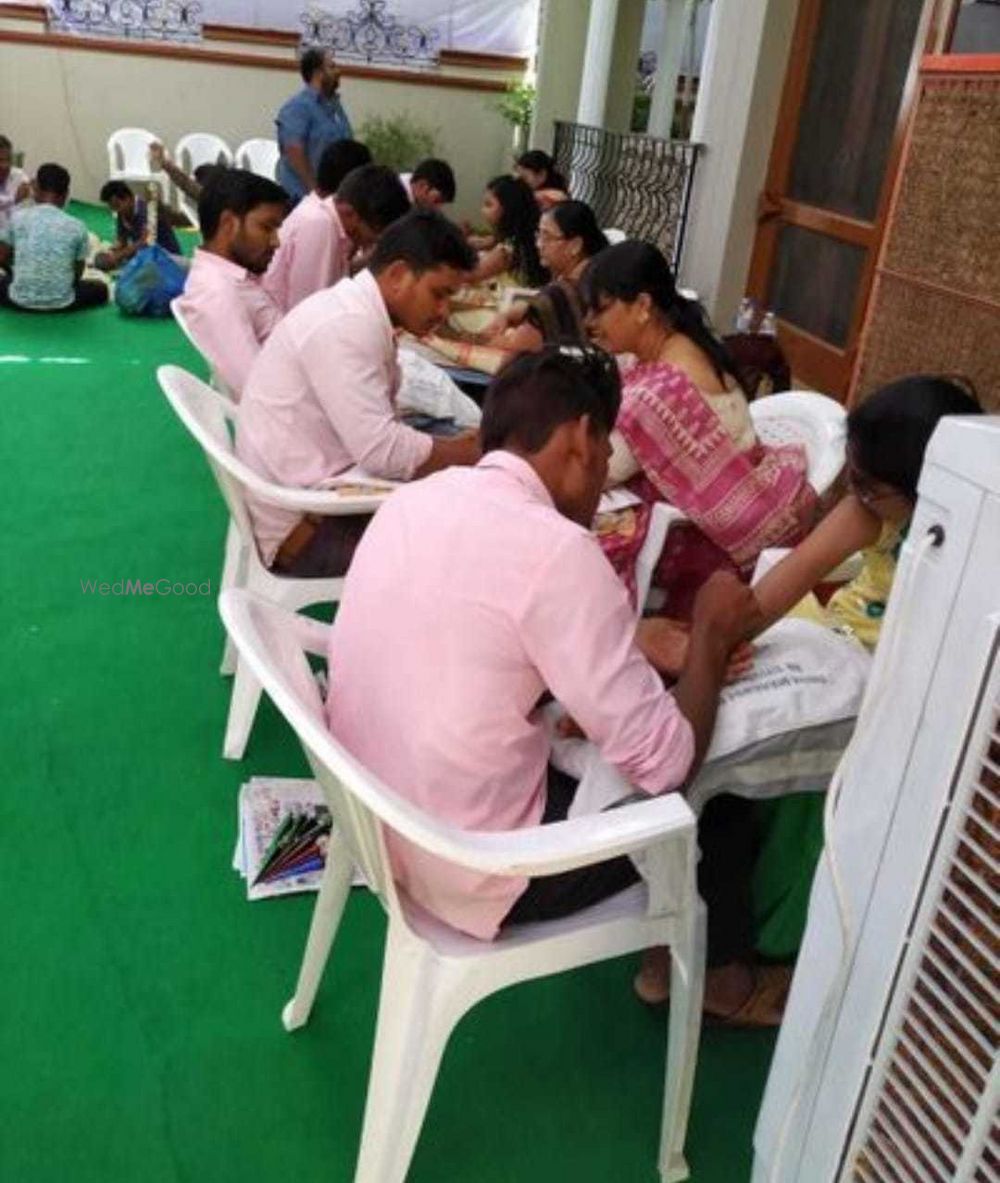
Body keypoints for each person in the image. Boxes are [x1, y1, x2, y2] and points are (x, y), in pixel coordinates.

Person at [325, 345, 772, 1022]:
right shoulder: (559, 551)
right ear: (581, 439)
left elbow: (477, 640)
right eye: (607, 453)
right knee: (726, 783)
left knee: (598, 734)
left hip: (375, 820)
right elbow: (667, 764)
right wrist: (710, 631)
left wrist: (624, 649)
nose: (604, 478)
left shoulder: (415, 500)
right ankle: (719, 982)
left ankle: (681, 964)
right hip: (474, 866)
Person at [634, 373, 984, 1008]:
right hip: (828, 647)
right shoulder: (871, 502)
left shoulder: (975, 547)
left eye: (872, 488)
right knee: (711, 730)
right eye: (852, 476)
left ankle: (734, 957)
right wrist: (712, 648)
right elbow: (783, 586)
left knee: (743, 762)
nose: (855, 494)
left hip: (896, 688)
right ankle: (690, 941)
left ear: (928, 491)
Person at [236, 208, 482, 578]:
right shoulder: (348, 324)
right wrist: (470, 451)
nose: (444, 311)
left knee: (456, 483)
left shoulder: (352, 309)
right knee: (471, 543)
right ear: (398, 275)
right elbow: (381, 450)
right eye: (439, 294)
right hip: (306, 531)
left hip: (312, 505)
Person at [583, 241, 816, 615]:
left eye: (600, 309)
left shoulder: (663, 389)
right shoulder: (678, 345)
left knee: (572, 540)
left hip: (702, 539)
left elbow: (598, 471)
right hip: (702, 505)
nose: (590, 324)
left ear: (643, 307)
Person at [174, 169, 288, 395]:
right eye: (267, 227)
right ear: (228, 223)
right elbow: (257, 391)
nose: (276, 242)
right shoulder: (218, 293)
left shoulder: (232, 277)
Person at [263, 156, 407, 313]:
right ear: (350, 213)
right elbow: (311, 308)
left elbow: (336, 278)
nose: (374, 240)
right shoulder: (319, 225)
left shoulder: (330, 220)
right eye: (376, 233)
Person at [485, 200, 608, 351]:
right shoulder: (594, 273)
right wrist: (505, 315)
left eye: (547, 237)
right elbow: (532, 303)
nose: (538, 244)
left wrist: (484, 337)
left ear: (575, 245)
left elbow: (510, 346)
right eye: (539, 235)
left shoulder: (560, 294)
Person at [0, 162, 108, 312]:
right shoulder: (77, 226)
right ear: (66, 194)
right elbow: (77, 272)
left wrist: (19, 274)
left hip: (19, 299)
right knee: (101, 289)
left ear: (36, 189)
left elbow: (2, 258)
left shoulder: (18, 218)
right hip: (62, 301)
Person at [276, 47, 353, 202]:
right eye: (332, 67)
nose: (339, 71)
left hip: (332, 198)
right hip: (303, 200)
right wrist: (315, 191)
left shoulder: (335, 106)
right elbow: (293, 150)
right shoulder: (298, 107)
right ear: (318, 73)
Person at [471, 175, 548, 288]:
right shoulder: (519, 235)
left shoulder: (512, 248)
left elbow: (472, 275)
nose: (482, 210)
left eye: (488, 205)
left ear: (508, 208)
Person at [95, 179, 182, 269]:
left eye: (117, 205)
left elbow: (146, 242)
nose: (115, 210)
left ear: (128, 198)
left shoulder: (147, 211)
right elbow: (121, 240)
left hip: (167, 257)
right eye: (112, 207)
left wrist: (119, 255)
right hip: (146, 255)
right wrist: (113, 252)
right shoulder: (122, 214)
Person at [148, 141, 229, 203]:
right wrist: (164, 163)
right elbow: (186, 183)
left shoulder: (214, 196)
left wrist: (164, 163)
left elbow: (186, 183)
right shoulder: (209, 197)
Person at [0, 134, 30, 235]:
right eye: (0, 160)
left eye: (8, 159)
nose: (5, 165)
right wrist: (15, 199)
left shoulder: (18, 175)